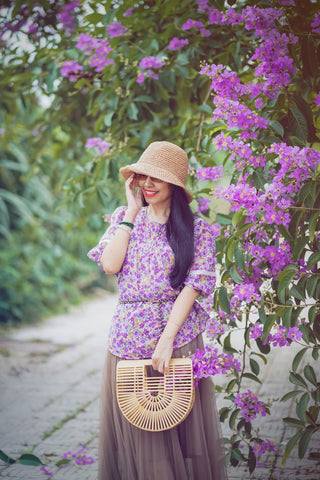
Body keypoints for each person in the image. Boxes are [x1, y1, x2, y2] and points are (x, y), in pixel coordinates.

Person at [88, 141, 228, 480]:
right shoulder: (124, 219)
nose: (147, 184)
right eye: (143, 176)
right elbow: (109, 264)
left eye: (157, 179)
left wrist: (167, 340)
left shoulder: (198, 230)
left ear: (175, 186)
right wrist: (130, 215)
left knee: (174, 431)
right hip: (126, 340)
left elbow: (192, 289)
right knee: (138, 433)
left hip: (175, 339)